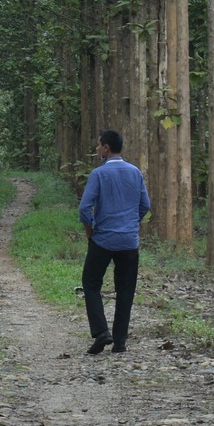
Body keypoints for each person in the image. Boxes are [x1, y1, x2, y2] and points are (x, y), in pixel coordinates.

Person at [80, 129, 150, 354]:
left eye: (99, 145)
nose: (97, 149)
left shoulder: (99, 174)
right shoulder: (135, 172)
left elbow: (84, 208)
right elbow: (145, 205)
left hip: (103, 239)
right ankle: (120, 341)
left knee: (91, 283)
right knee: (125, 290)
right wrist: (132, 223)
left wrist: (90, 229)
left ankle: (101, 332)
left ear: (106, 148)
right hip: (129, 242)